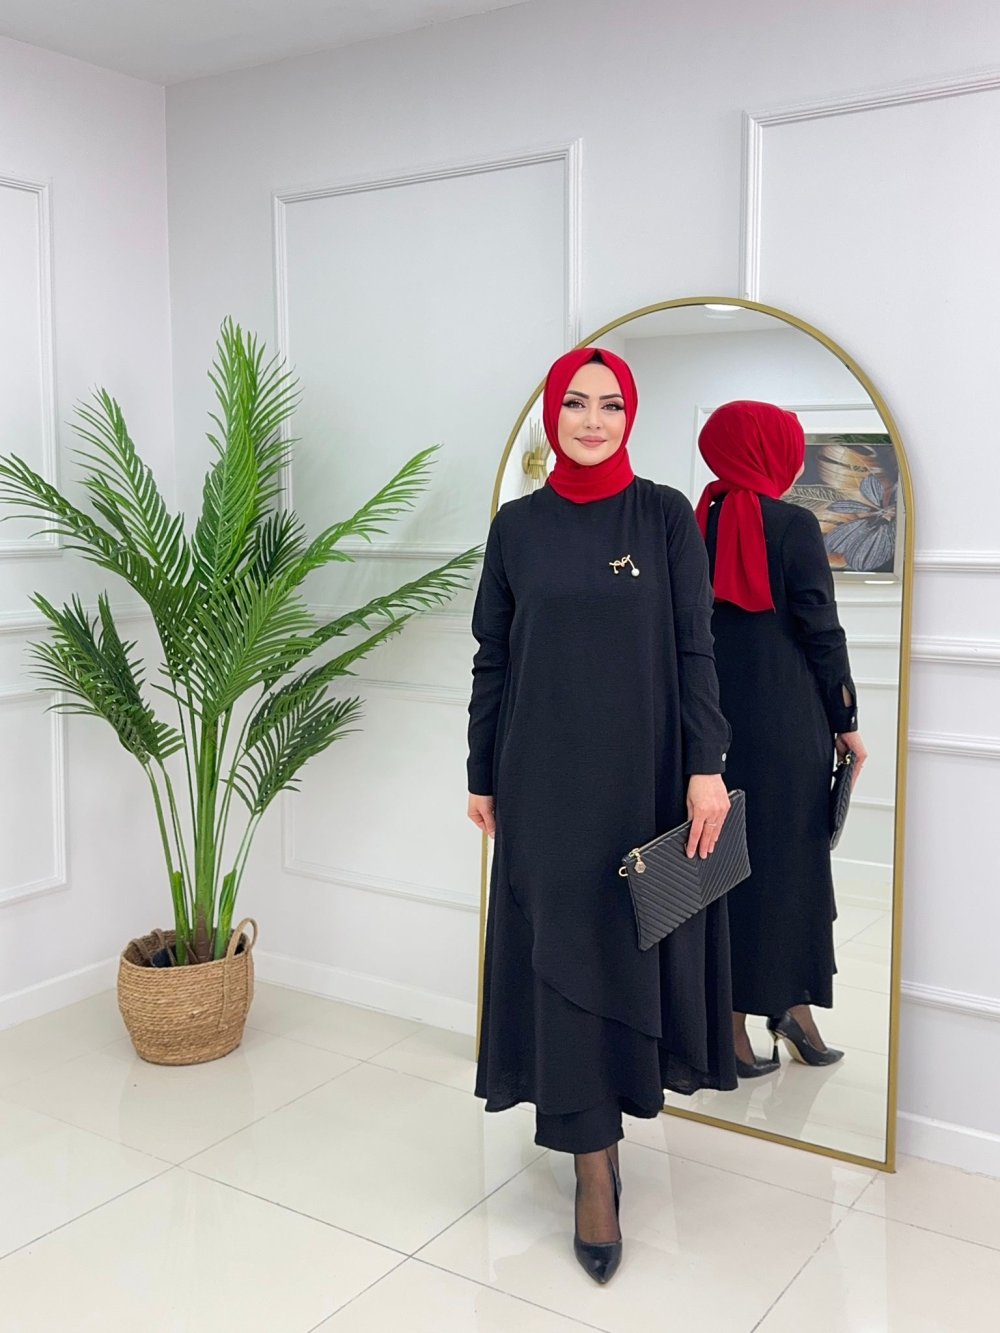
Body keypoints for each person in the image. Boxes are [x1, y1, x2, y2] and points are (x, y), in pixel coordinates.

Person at [467, 347, 736, 1285]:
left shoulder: (663, 515)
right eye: (575, 403)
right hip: (541, 782)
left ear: (630, 416)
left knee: (625, 948)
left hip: (644, 779)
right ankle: (591, 1167)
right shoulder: (517, 527)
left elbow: (697, 649)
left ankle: (611, 1128)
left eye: (610, 404)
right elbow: (493, 657)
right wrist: (480, 772)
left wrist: (707, 766)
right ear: (553, 416)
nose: (591, 419)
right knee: (563, 955)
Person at [694, 400, 868, 1077]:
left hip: (713, 723)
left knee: (729, 867)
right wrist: (846, 720)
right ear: (772, 454)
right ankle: (774, 1013)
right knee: (790, 868)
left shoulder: (692, 521)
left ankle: (754, 1018)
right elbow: (820, 629)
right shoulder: (792, 524)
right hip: (787, 722)